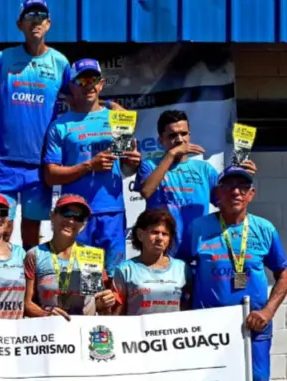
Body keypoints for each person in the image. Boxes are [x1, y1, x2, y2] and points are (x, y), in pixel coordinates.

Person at [0, 1, 122, 249]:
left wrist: (109, 105)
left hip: (39, 165)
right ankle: (2, 277)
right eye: (30, 15)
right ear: (20, 24)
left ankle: (28, 282)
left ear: (48, 24)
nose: (36, 19)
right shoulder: (5, 57)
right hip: (4, 161)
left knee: (31, 228)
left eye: (41, 15)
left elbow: (81, 92)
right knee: (1, 225)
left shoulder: (59, 62)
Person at [179, 166, 287, 381]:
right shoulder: (199, 227)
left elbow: (283, 273)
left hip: (254, 324)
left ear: (251, 194)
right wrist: (187, 310)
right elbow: (180, 269)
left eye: (243, 187)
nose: (236, 192)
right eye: (229, 186)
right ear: (218, 192)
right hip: (209, 327)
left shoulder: (264, 228)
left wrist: (268, 312)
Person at [43, 58, 141, 280]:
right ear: (72, 85)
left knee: (115, 278)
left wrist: (132, 162)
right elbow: (50, 175)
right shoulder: (61, 125)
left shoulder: (118, 118)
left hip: (111, 211)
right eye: (81, 80)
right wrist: (89, 165)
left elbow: (126, 166)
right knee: (82, 281)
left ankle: (114, 316)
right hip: (75, 215)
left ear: (102, 83)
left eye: (93, 79)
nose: (88, 85)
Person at [135, 110, 257, 254]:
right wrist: (171, 154)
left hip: (198, 250)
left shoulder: (205, 169)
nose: (180, 140)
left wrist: (242, 178)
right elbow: (146, 191)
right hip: (162, 252)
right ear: (161, 140)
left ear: (190, 135)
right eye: (172, 135)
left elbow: (227, 204)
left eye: (184, 134)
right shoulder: (149, 165)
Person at [24, 194, 117, 319]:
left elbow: (94, 304)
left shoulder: (91, 255)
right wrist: (46, 315)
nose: (71, 220)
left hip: (82, 331)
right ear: (53, 216)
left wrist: (104, 303)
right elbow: (26, 303)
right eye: (66, 213)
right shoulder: (35, 254)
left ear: (83, 225)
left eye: (79, 218)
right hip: (50, 331)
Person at [112, 208, 191, 315]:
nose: (159, 238)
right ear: (140, 235)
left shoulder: (182, 268)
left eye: (165, 234)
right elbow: (117, 314)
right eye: (154, 232)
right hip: (137, 331)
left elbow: (189, 309)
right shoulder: (125, 270)